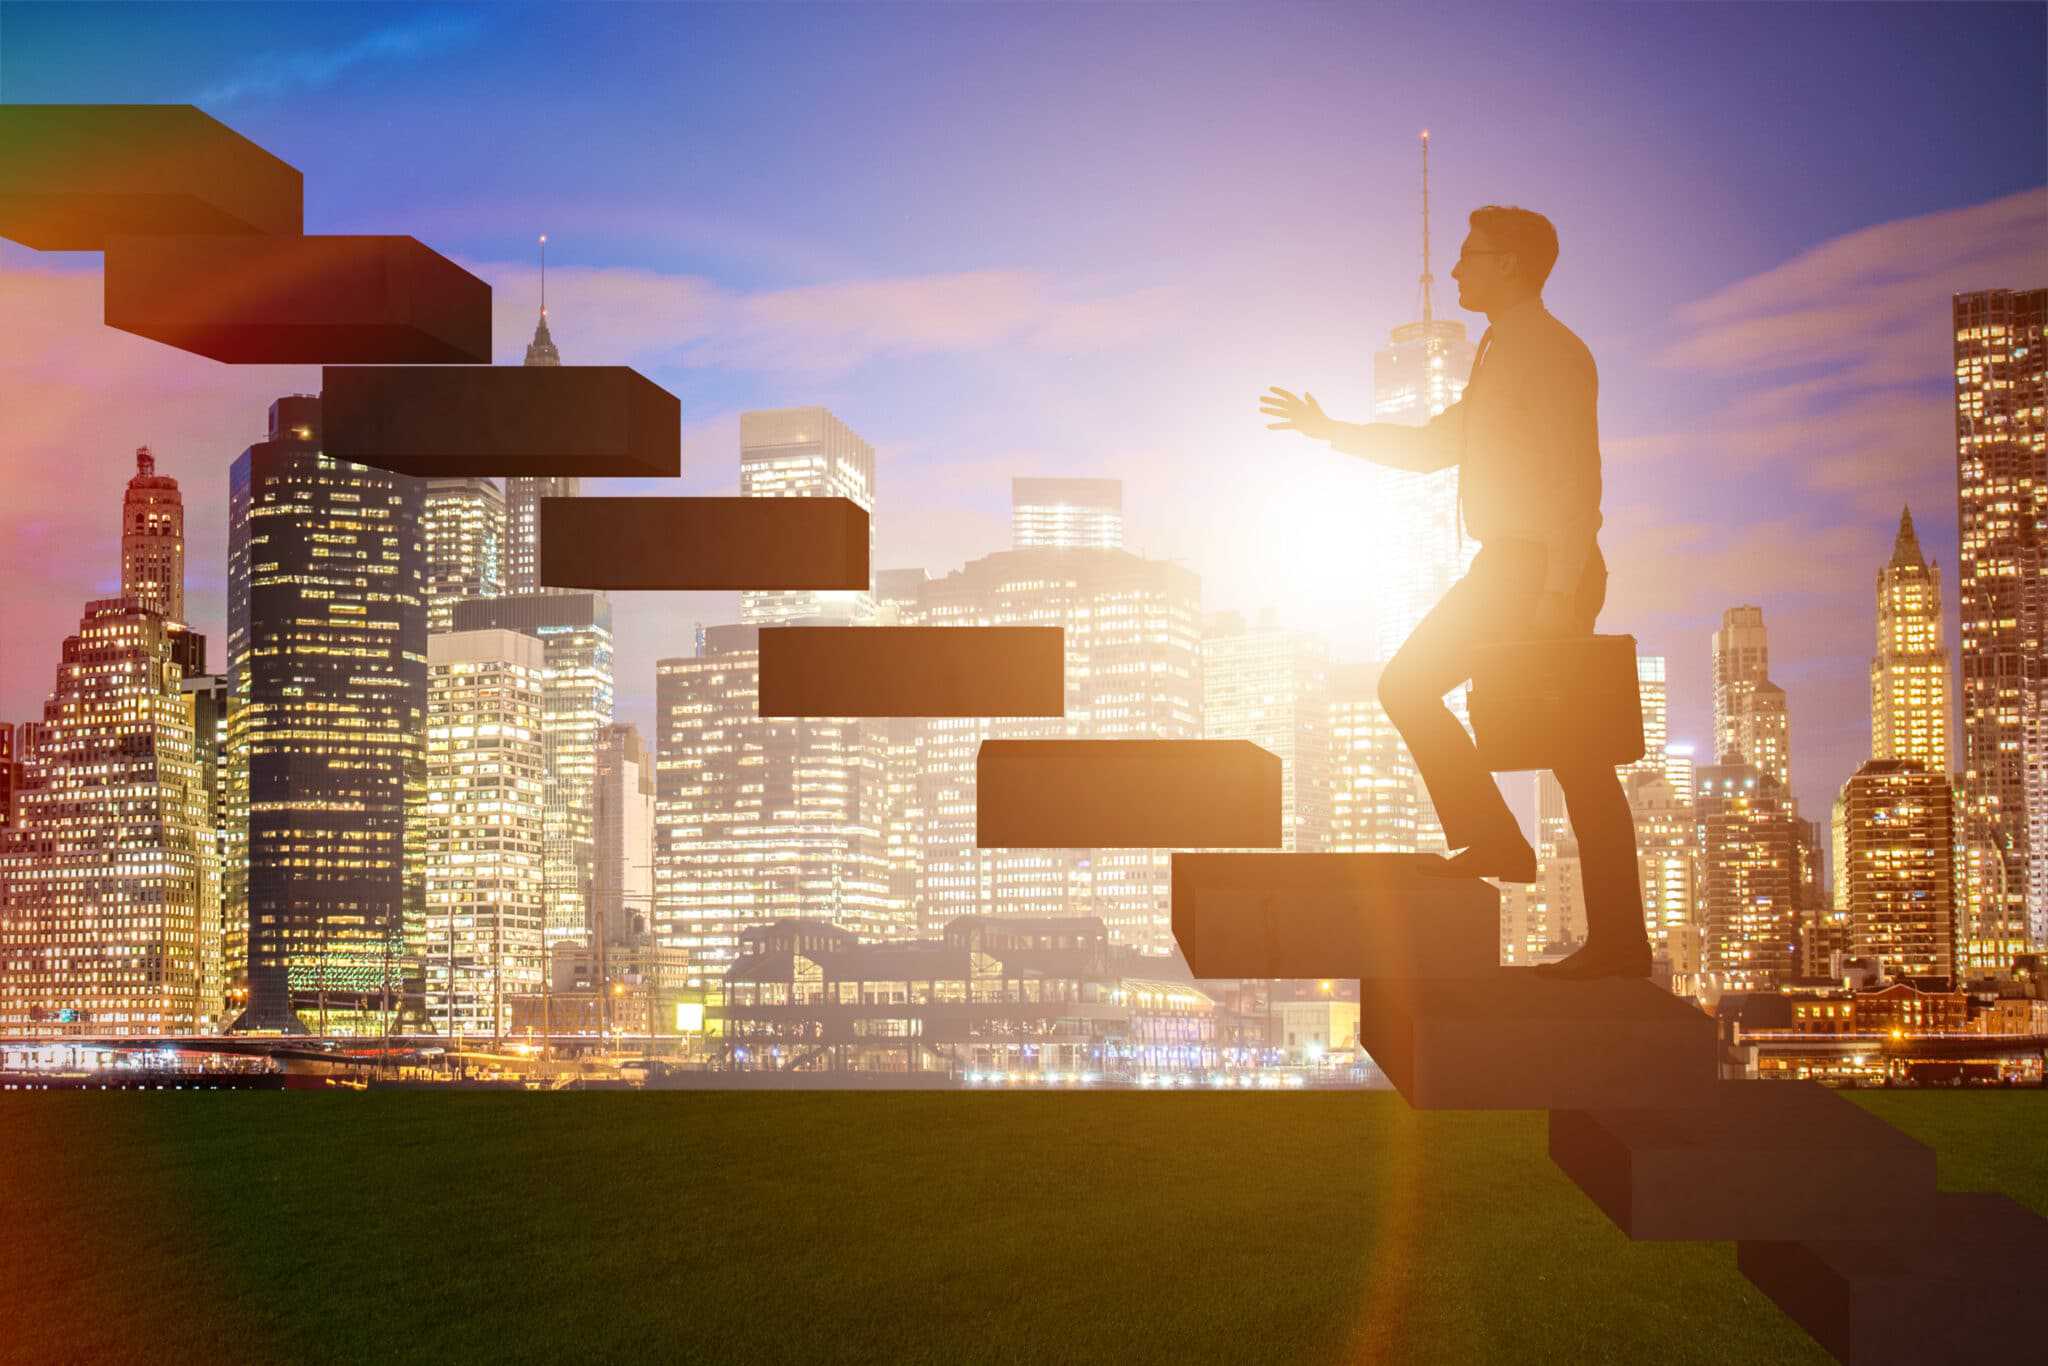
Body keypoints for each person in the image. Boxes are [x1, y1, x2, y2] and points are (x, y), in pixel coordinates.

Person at [1258, 205, 1651, 980]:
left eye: (1471, 256)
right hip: (1513, 564)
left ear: (1510, 264)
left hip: (1537, 568)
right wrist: (1330, 429)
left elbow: (1580, 481)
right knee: (1568, 757)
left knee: (1557, 749)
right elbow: (1436, 446)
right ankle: (1556, 889)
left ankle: (1577, 909)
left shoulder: (1551, 352)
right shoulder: (1502, 354)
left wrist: (1556, 594)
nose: (1455, 270)